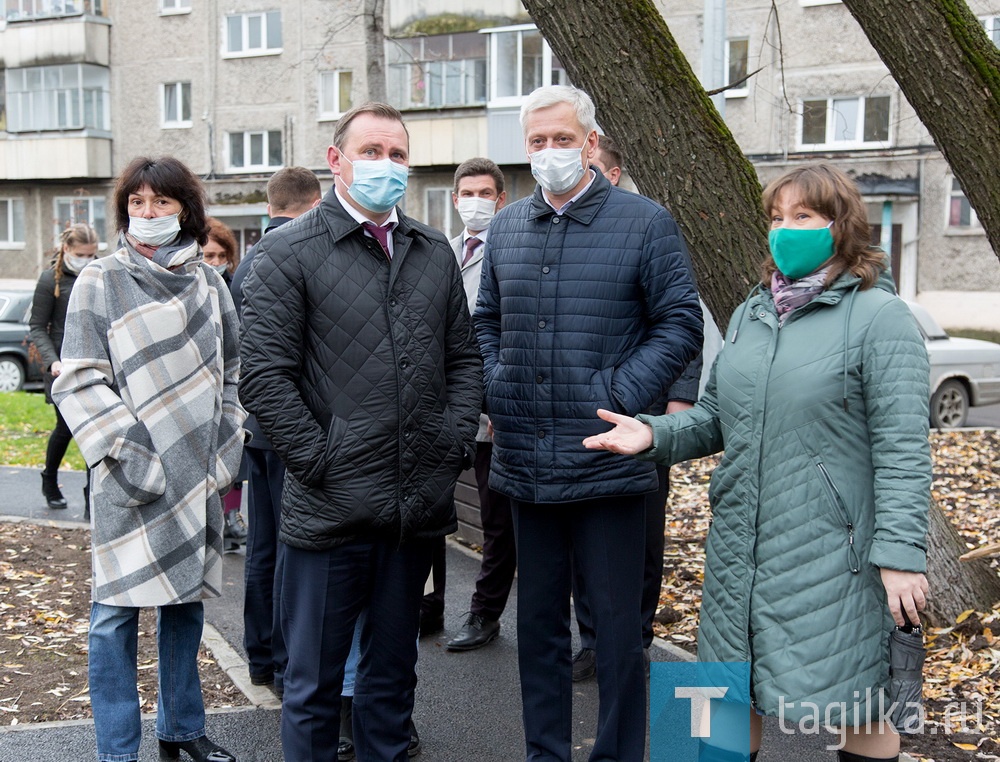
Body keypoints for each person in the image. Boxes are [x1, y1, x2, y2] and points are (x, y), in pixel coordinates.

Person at [583, 163, 931, 762]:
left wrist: (899, 557)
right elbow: (717, 415)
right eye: (776, 217)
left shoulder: (880, 316)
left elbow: (904, 450)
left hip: (831, 561)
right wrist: (653, 433)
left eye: (803, 217)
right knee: (710, 711)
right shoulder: (753, 311)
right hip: (736, 554)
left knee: (859, 708)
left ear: (840, 226)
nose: (784, 229)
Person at [239, 102, 482, 762]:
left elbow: (463, 357)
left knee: (391, 685)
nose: (387, 165)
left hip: (411, 511)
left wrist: (451, 443)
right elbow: (264, 379)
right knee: (314, 688)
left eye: (398, 154)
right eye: (371, 151)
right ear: (336, 160)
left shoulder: (431, 252)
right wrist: (322, 461)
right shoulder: (286, 254)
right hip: (329, 515)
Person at [474, 85, 703, 762]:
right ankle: (546, 751)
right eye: (538, 142)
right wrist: (497, 380)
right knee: (538, 628)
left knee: (615, 633)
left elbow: (680, 321)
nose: (550, 152)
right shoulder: (509, 226)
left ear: (592, 143)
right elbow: (485, 319)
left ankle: (617, 754)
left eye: (563, 139)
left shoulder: (645, 222)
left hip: (609, 462)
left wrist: (622, 393)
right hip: (527, 464)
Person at [52, 156, 246, 762]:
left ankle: (183, 729)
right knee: (113, 620)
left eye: (161, 202)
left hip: (196, 476)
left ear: (184, 208)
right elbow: (79, 381)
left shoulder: (210, 284)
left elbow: (235, 374)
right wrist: (132, 456)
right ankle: (117, 748)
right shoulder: (100, 280)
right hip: (127, 476)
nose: (149, 214)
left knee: (183, 610)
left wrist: (222, 454)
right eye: (137, 203)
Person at [568, 134, 703, 682]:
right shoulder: (567, 237)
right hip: (582, 416)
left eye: (591, 164)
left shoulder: (648, 227)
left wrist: (675, 405)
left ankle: (636, 638)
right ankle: (593, 640)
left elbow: (678, 322)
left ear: (614, 172)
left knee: (640, 538)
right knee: (581, 534)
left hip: (644, 419)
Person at [231, 166, 321, 697]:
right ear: (313, 207)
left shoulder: (244, 266)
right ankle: (288, 664)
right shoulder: (296, 256)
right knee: (293, 548)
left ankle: (261, 656)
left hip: (257, 427)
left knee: (263, 547)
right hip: (292, 426)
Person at [443, 157, 516, 652]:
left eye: (485, 193)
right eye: (467, 193)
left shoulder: (511, 251)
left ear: (501, 199)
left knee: (496, 521)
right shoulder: (443, 253)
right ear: (454, 199)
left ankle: (484, 613)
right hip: (445, 409)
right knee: (428, 512)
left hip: (492, 409)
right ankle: (426, 606)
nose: (475, 202)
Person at [29, 223, 99, 515]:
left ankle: (91, 495)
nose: (87, 259)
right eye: (81, 254)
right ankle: (50, 480)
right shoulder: (51, 280)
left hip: (94, 365)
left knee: (95, 433)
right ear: (67, 250)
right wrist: (52, 360)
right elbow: (37, 326)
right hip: (61, 369)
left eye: (92, 254)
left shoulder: (98, 275)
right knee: (66, 428)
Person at [204, 217, 248, 550]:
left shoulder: (235, 285)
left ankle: (232, 516)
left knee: (235, 457)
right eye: (209, 256)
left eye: (221, 256)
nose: (216, 263)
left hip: (231, 380)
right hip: (203, 383)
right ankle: (214, 518)